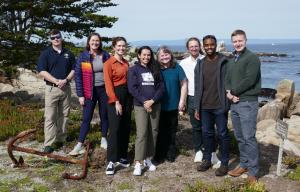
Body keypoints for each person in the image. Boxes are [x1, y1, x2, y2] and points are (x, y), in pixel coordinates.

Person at [225, 29, 261, 183]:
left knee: (249, 138)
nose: (237, 44)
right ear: (232, 43)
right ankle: (244, 164)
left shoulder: (252, 58)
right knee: (239, 137)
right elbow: (227, 78)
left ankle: (253, 171)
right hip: (234, 103)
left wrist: (233, 92)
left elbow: (249, 80)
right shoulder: (233, 58)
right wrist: (229, 93)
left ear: (245, 40)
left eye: (240, 41)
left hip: (247, 103)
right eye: (235, 41)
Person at [180, 37, 221, 165]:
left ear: (200, 47)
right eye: (191, 46)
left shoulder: (206, 60)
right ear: (188, 48)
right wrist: (182, 101)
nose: (194, 48)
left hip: (207, 97)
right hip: (192, 97)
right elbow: (181, 83)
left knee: (209, 127)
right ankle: (198, 150)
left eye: (196, 46)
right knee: (196, 126)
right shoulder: (183, 63)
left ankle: (212, 152)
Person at [194, 35, 230, 176]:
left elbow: (229, 82)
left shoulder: (224, 61)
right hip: (204, 107)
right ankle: (207, 159)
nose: (209, 47)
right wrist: (197, 106)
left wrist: (228, 102)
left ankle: (225, 163)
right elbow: (197, 87)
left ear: (215, 45)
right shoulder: (200, 63)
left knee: (222, 134)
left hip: (220, 105)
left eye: (212, 44)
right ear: (203, 46)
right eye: (207, 45)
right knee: (207, 134)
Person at [69, 33, 110, 156]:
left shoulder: (105, 55)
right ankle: (79, 144)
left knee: (104, 116)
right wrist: (80, 95)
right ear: (89, 42)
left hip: (104, 90)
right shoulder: (83, 56)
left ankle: (104, 138)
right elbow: (78, 76)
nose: (95, 43)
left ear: (100, 42)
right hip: (89, 91)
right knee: (86, 118)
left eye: (97, 41)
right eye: (93, 41)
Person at [37, 29, 75, 153]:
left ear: (61, 38)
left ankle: (61, 138)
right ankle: (49, 143)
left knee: (64, 115)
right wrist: (56, 81)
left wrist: (66, 79)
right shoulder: (45, 54)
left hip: (66, 88)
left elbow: (74, 69)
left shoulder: (68, 53)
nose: (56, 39)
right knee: (50, 116)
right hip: (52, 88)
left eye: (57, 37)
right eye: (53, 38)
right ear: (50, 40)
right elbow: (42, 71)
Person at [128, 46, 164, 176]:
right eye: (144, 55)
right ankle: (138, 162)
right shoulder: (133, 70)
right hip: (140, 106)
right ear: (138, 55)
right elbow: (133, 88)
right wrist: (145, 101)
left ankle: (148, 158)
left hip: (155, 105)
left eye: (149, 55)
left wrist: (152, 101)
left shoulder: (155, 68)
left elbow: (161, 88)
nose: (146, 57)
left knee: (153, 132)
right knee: (142, 133)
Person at [104, 36, 132, 175]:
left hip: (127, 96)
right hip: (115, 95)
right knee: (114, 128)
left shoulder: (126, 62)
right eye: (119, 46)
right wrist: (116, 101)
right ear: (114, 47)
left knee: (125, 127)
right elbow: (108, 84)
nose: (121, 48)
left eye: (123, 46)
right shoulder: (109, 63)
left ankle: (122, 156)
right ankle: (111, 161)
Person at [155, 46, 187, 162]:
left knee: (172, 131)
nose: (164, 57)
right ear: (158, 57)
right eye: (162, 55)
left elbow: (184, 84)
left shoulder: (177, 67)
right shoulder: (156, 69)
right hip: (158, 105)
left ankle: (170, 153)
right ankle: (159, 154)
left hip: (173, 104)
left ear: (171, 55)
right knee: (160, 131)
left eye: (166, 54)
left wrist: (182, 101)